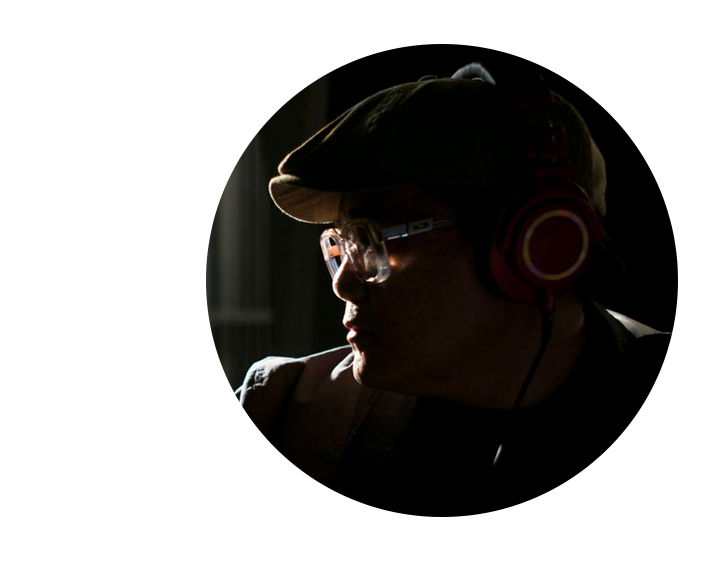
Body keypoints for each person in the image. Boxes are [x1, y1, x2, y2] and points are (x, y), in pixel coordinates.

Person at [236, 62, 670, 516]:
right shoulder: (280, 415)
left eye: (374, 239)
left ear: (539, 249)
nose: (343, 284)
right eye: (342, 244)